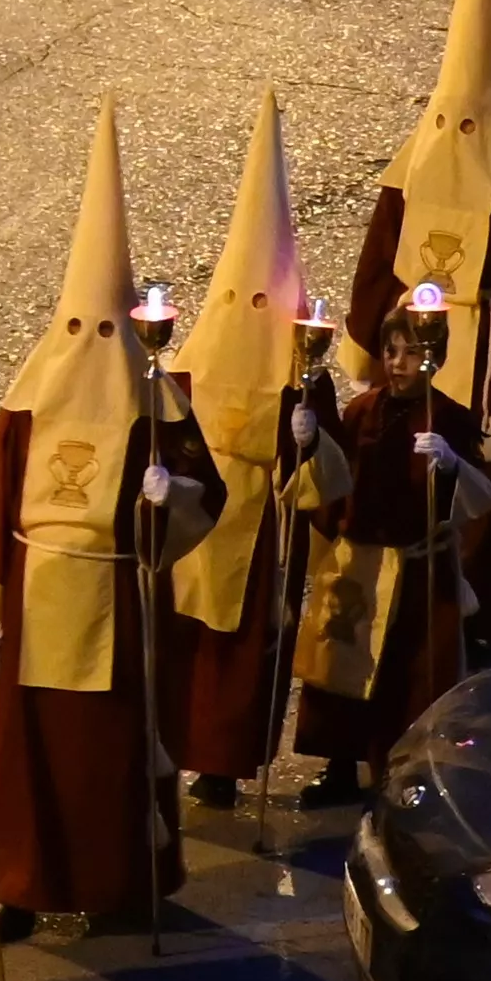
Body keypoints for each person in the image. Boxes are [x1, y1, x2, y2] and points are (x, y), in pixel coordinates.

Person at [0, 99, 220, 941]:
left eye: (104, 326)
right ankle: (18, 887)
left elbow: (205, 496)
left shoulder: (155, 403)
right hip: (34, 608)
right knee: (25, 761)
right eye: (75, 325)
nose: (88, 339)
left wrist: (170, 498)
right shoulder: (29, 403)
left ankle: (118, 885)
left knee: (107, 758)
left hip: (121, 604)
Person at [340, 0, 491, 652]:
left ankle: (469, 622)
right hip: (405, 344)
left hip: (484, 347)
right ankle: (394, 615)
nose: (457, 137)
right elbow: (376, 261)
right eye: (445, 121)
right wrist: (366, 344)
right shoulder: (409, 175)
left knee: (476, 473)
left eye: (472, 125)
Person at [156, 96, 318, 812]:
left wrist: (308, 442)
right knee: (181, 646)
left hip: (257, 532)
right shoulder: (192, 359)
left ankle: (220, 765)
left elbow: (321, 469)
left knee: (235, 656)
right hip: (190, 526)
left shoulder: (300, 371)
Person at [283, 287, 491, 805]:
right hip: (359, 561)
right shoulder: (363, 411)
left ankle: (401, 770)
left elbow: (477, 499)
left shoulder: (449, 419)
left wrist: (450, 466)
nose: (397, 363)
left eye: (410, 352)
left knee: (407, 676)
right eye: (390, 352)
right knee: (342, 667)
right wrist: (312, 444)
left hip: (415, 570)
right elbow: (336, 478)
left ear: (434, 358)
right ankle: (340, 764)